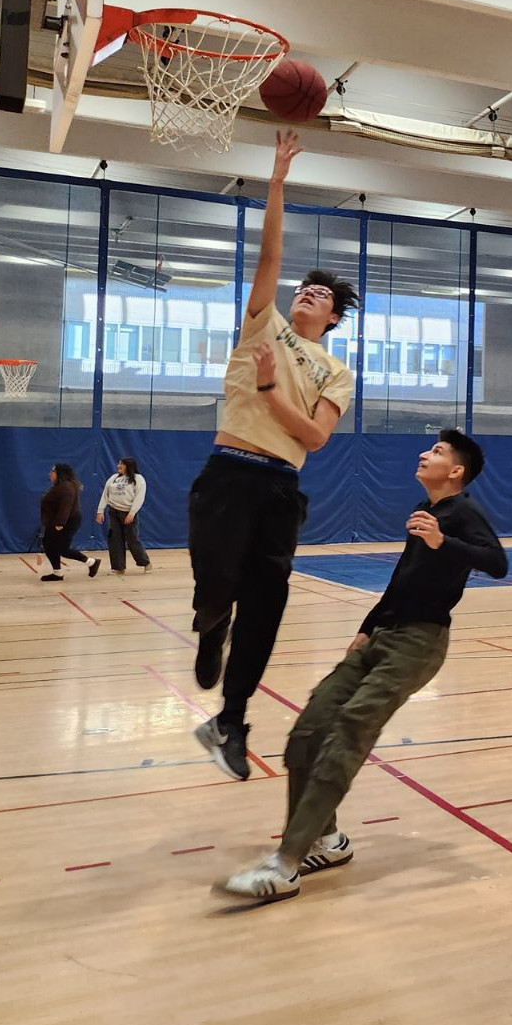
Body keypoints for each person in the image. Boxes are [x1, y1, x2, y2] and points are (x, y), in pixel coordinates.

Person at [213, 429, 508, 903]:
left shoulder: (461, 513)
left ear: (456, 471)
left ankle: (286, 863)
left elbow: (497, 563)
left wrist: (442, 543)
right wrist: (367, 626)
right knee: (310, 727)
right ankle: (327, 841)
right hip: (382, 637)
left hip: (419, 643)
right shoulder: (425, 512)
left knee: (350, 729)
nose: (423, 453)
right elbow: (402, 578)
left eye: (436, 451)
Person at [190, 130, 357, 782]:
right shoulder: (263, 325)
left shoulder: (334, 371)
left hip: (281, 487)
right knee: (219, 585)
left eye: (323, 297)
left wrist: (269, 392)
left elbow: (314, 439)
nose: (308, 295)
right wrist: (279, 179)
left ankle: (230, 721)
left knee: (267, 608)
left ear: (336, 319)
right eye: (305, 289)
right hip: (229, 474)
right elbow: (269, 253)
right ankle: (210, 623)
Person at [38, 464, 101, 583]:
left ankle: (91, 562)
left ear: (60, 474)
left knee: (62, 548)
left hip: (67, 522)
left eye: (53, 471)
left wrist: (60, 523)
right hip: (55, 521)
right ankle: (57, 573)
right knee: (48, 545)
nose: (50, 474)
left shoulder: (66, 487)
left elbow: (65, 507)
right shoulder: (58, 487)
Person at [96, 457, 151, 574]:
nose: (118, 466)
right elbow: (105, 495)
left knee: (132, 540)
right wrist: (100, 511)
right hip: (113, 512)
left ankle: (145, 562)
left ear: (129, 466)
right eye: (119, 463)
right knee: (115, 539)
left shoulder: (138, 479)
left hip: (127, 512)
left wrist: (132, 513)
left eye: (121, 464)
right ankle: (119, 567)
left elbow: (139, 497)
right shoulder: (113, 478)